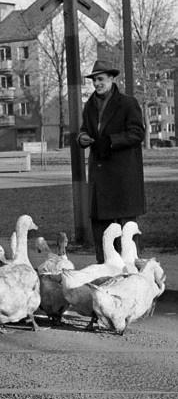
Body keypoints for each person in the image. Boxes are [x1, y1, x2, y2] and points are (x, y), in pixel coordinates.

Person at [77, 59, 146, 264]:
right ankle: (105, 274)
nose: (97, 84)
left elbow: (137, 133)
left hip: (123, 179)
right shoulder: (90, 105)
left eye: (100, 79)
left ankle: (132, 277)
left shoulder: (127, 103)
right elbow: (84, 130)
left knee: (126, 233)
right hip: (100, 179)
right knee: (102, 232)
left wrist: (111, 141)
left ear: (111, 78)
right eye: (94, 80)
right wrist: (82, 138)